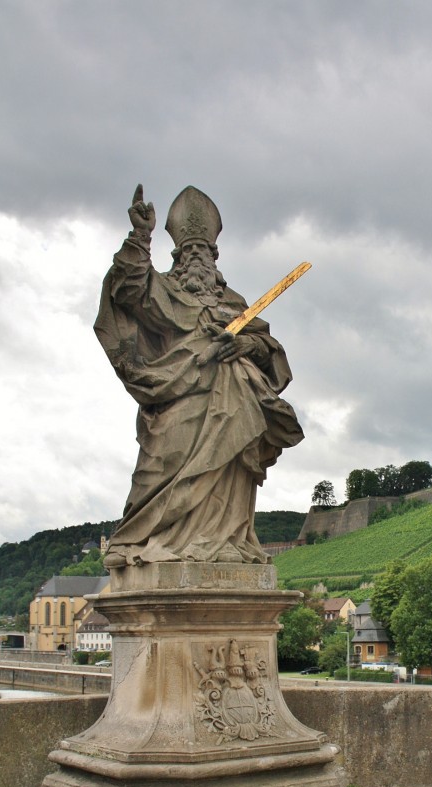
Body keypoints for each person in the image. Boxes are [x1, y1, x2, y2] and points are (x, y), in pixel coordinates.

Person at [95, 185, 304, 567]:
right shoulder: (165, 290)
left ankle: (223, 540)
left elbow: (268, 347)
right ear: (176, 256)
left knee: (231, 461)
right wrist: (141, 237)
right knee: (160, 466)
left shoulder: (234, 303)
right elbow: (129, 290)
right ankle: (145, 540)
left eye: (203, 252)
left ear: (215, 256)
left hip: (235, 402)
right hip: (178, 398)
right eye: (189, 251)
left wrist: (244, 347)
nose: (197, 258)